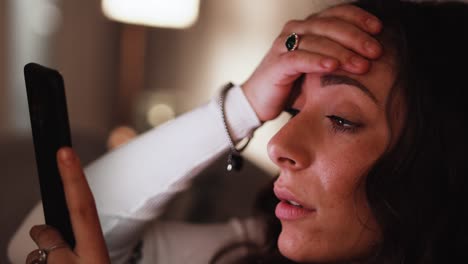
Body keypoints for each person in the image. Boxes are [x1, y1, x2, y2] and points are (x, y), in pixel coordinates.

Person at [9, 0, 468, 263]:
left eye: (342, 120)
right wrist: (241, 104)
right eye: (292, 111)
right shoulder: (246, 248)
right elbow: (38, 238)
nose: (278, 144)